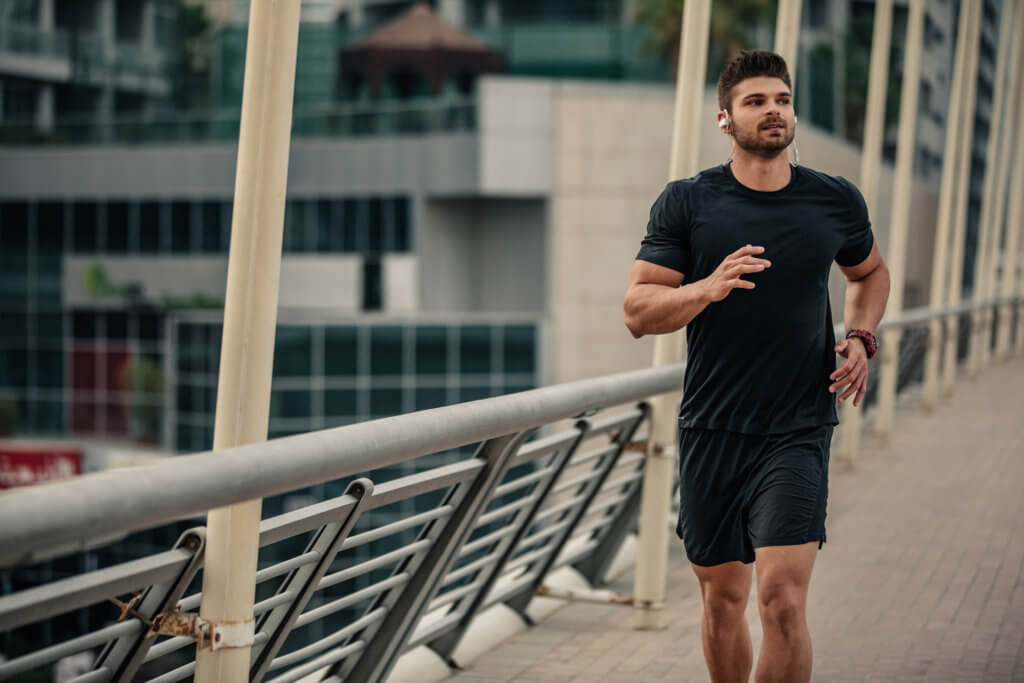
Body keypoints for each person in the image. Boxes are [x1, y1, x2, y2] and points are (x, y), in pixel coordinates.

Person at [622, 50, 891, 683]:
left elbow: (870, 270)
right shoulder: (687, 203)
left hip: (798, 425)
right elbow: (638, 311)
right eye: (756, 101)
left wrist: (861, 335)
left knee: (783, 601)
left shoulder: (834, 200)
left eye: (782, 100)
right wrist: (705, 289)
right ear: (725, 118)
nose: (774, 111)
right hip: (712, 429)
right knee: (723, 602)